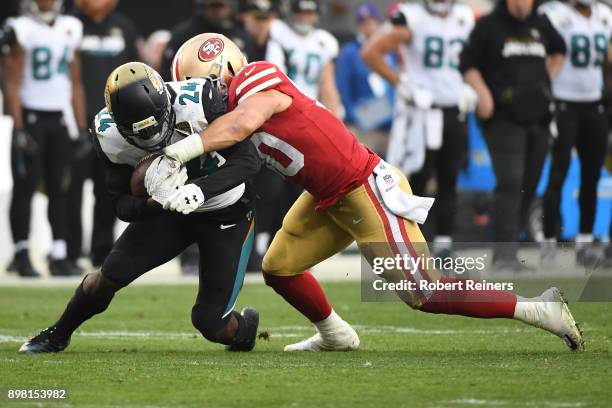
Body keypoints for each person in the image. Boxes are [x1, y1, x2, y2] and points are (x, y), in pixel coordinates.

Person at [164, 34, 584, 353]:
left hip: (365, 187)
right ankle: (334, 334)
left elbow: (239, 125)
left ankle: (537, 308)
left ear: (222, 73)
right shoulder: (228, 116)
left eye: (199, 89)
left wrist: (179, 152)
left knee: (426, 293)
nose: (198, 104)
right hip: (325, 195)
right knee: (279, 268)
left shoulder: (255, 79)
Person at [18, 62, 260, 354]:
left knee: (210, 323)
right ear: (119, 125)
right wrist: (152, 202)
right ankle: (57, 333)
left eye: (157, 125)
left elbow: (248, 160)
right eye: (141, 135)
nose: (153, 139)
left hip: (226, 211)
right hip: (169, 212)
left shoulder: (201, 100)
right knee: (106, 278)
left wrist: (200, 190)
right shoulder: (107, 134)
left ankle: (245, 329)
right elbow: (120, 203)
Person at [362, 0, 477, 258]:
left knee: (450, 177)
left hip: (455, 109)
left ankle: (445, 243)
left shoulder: (465, 17)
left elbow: (481, 54)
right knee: (417, 177)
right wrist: (401, 82)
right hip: (423, 112)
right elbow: (371, 52)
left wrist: (473, 84)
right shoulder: (410, 17)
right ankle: (412, 243)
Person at [459, 0, 566, 272]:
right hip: (504, 119)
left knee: (529, 184)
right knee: (510, 183)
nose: (522, 3)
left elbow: (559, 50)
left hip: (538, 118)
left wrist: (546, 82)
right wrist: (482, 94)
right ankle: (503, 255)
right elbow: (467, 62)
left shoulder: (540, 24)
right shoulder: (489, 25)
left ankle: (511, 248)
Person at [4, 0, 87, 277]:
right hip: (30, 116)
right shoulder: (20, 28)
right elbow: (11, 80)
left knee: (59, 189)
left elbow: (75, 82)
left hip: (60, 119)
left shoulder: (70, 27)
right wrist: (17, 127)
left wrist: (81, 125)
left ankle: (60, 253)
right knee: (25, 187)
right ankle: (21, 252)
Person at [67, 0, 142, 268]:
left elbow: (136, 76)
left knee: (109, 189)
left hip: (112, 125)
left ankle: (102, 251)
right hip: (75, 122)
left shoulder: (124, 27)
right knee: (71, 191)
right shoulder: (68, 24)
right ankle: (69, 251)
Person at [538, 0, 612, 267]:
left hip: (594, 106)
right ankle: (548, 244)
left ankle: (584, 243)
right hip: (563, 105)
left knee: (591, 176)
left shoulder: (604, 15)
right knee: (558, 173)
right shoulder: (555, 14)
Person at [336, 2, 395, 157]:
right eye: (363, 22)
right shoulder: (350, 52)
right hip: (363, 127)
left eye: (371, 21)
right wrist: (357, 117)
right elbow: (343, 88)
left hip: (390, 126)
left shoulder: (389, 51)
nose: (368, 26)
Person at [269, 0, 341, 116]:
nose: (304, 17)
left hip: (312, 108)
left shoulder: (325, 41)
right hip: (282, 105)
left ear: (317, 14)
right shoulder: (278, 32)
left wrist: (335, 118)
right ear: (290, 12)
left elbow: (327, 86)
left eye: (309, 12)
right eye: (300, 12)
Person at [160, 0, 248, 82]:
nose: (217, 12)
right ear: (203, 7)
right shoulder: (183, 35)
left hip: (230, 90)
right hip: (191, 90)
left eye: (221, 7)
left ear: (230, 7)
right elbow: (168, 72)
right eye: (213, 7)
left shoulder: (241, 37)